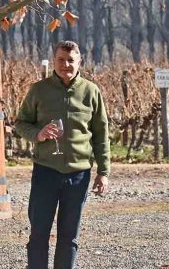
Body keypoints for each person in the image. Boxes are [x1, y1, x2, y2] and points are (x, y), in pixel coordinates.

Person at [14, 40, 110, 269]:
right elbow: (20, 123)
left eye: (70, 60)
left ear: (79, 62)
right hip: (46, 171)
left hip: (79, 174)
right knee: (38, 235)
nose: (65, 64)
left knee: (69, 237)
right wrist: (38, 134)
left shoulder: (91, 92)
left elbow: (101, 134)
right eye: (60, 59)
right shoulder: (39, 90)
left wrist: (103, 172)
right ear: (54, 60)